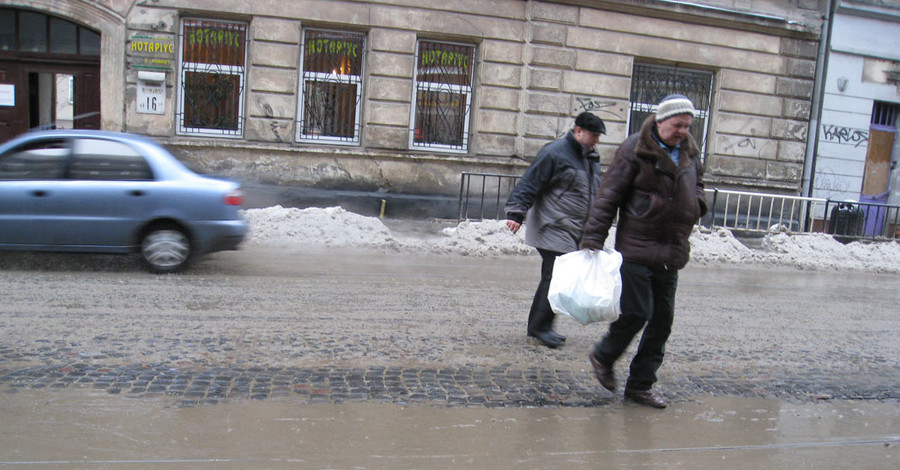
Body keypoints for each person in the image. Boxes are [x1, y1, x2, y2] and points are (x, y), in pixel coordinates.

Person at [580, 94, 708, 408]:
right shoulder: (635, 149)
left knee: (662, 322)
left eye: (687, 126)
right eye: (677, 125)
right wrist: (593, 238)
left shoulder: (689, 151)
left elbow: (699, 183)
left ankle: (640, 386)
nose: (682, 131)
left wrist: (697, 204)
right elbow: (608, 195)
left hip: (672, 249)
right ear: (661, 121)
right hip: (637, 247)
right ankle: (603, 355)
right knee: (638, 312)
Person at [505, 112, 606, 349]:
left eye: (599, 136)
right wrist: (516, 213)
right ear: (578, 131)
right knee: (556, 277)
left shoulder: (590, 157)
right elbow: (531, 182)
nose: (596, 141)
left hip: (573, 227)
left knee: (555, 277)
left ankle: (540, 326)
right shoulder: (555, 152)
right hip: (552, 224)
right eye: (593, 135)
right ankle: (540, 328)